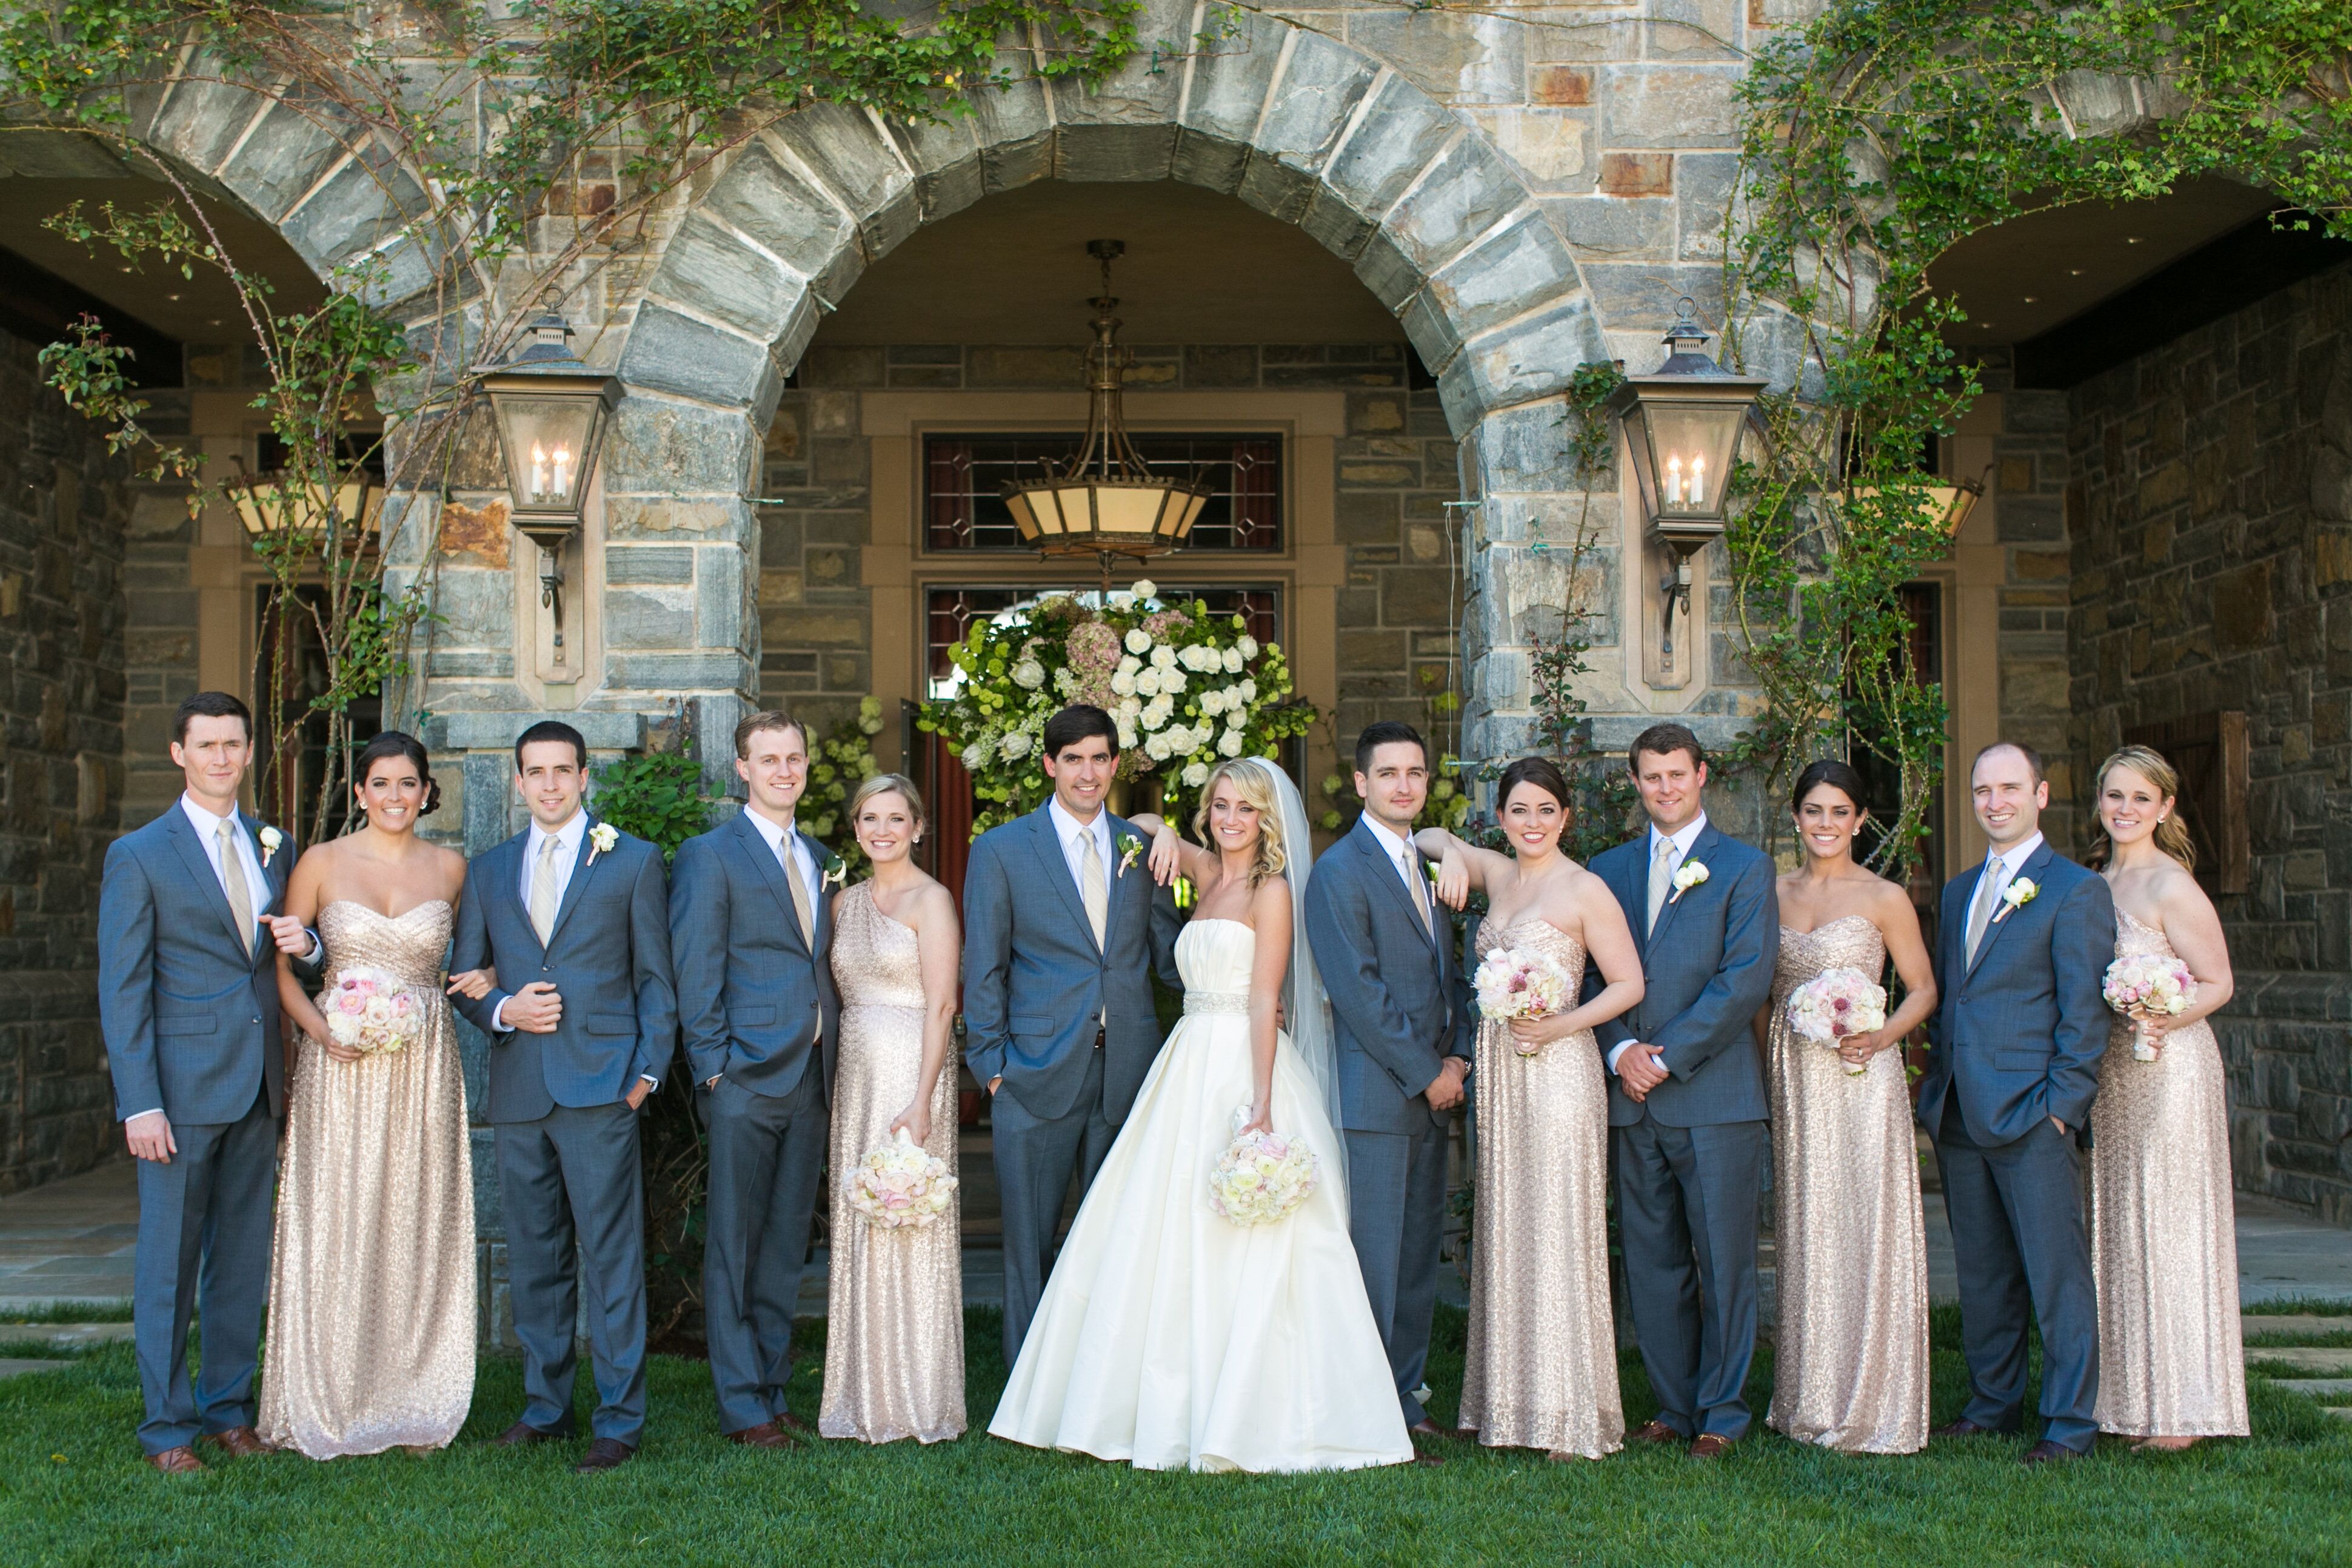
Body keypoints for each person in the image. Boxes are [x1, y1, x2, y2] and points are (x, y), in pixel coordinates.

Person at [991, 757, 1413, 1472]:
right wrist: (1155, 829)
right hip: (1185, 1058)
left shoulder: (1270, 891)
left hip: (1241, 1062)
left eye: (1245, 809)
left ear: (1266, 819)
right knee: (1157, 1227)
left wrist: (1263, 1100)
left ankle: (1252, 1406)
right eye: (1220, 805)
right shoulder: (1205, 874)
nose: (1230, 819)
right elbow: (1147, 825)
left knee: (1248, 1239)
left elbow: (1262, 997)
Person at [449, 719, 677, 1475]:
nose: (548, 784)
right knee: (537, 1257)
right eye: (534, 772)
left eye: (562, 771)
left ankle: (618, 1419)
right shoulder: (488, 870)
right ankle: (546, 1409)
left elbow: (655, 981)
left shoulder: (633, 862)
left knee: (611, 1258)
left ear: (584, 777)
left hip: (601, 1089)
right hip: (519, 1089)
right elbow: (465, 976)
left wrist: (644, 1076)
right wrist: (503, 1009)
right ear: (517, 782)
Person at [258, 732, 481, 1458]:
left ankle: (413, 1393)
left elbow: (473, 962)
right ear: (359, 791)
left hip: (422, 1067)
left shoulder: (452, 868)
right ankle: (333, 1388)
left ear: (426, 791)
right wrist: (323, 1034)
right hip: (340, 1063)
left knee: (413, 1217)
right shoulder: (319, 862)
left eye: (408, 784)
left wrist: (486, 982)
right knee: (341, 1216)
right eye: (380, 784)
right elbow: (287, 971)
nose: (394, 797)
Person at [1420, 756, 1643, 1461]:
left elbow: (1628, 984)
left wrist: (1560, 1024)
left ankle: (1570, 1413)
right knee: (1510, 1225)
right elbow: (1423, 834)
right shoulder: (1500, 872)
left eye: (1546, 810)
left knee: (1557, 1228)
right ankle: (1508, 1404)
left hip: (1557, 1073)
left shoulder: (1583, 888)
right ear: (1502, 817)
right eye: (1520, 810)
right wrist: (1455, 851)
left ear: (1565, 817)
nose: (1533, 822)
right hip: (1502, 1079)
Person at [98, 692, 298, 1472]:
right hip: (177, 1094)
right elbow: (124, 987)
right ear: (179, 753)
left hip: (257, 1086)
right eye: (206, 744)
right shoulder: (140, 854)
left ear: (250, 753)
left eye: (233, 744)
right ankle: (166, 1429)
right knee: (169, 1263)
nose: (221, 757)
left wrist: (305, 940)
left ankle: (226, 1410)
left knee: (241, 1258)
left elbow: (279, 959)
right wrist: (139, 1101)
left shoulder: (271, 844)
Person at [961, 704, 1182, 1368]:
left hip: (1128, 1071)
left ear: (1116, 765)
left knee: (1116, 1236)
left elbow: (1170, 957)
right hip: (1031, 1072)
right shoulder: (1001, 849)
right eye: (1073, 759)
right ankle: (1029, 1384)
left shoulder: (1143, 850)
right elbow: (985, 965)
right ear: (1051, 765)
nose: (1088, 773)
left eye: (1099, 758)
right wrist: (992, 1067)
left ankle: (1097, 1380)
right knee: (1027, 1241)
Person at [1584, 722, 1779, 1459]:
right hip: (1631, 1100)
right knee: (1652, 1259)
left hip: (1714, 1096)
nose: (1665, 787)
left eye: (1677, 773)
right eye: (1651, 776)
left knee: (1723, 1259)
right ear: (1636, 782)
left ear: (1702, 775)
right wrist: (1621, 1050)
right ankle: (1672, 1403)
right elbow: (1590, 972)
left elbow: (1744, 979)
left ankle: (1722, 1412)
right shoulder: (1608, 867)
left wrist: (1667, 1057)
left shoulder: (1744, 867)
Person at [1918, 740, 2113, 1465]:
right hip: (1961, 1112)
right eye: (1980, 790)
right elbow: (1953, 998)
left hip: (2033, 1112)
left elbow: (2084, 1011)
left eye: (2008, 788)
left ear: (2040, 794)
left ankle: (2068, 1422)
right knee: (1983, 1271)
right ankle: (1992, 1404)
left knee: (2055, 1273)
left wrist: (2062, 1105)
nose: (1993, 802)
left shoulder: (2073, 890)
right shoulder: (1961, 889)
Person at [1752, 758, 1936, 1455]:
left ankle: (1876, 1402)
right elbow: (1761, 997)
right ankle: (1808, 1397)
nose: (1825, 824)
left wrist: (1881, 1034)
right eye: (1813, 811)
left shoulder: (1884, 896)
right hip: (1795, 1076)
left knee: (1865, 1223)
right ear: (1796, 817)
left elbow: (1921, 989)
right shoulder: (1769, 893)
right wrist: (1768, 1068)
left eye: (1839, 812)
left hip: (1862, 1076)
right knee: (1807, 1228)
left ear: (1860, 820)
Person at [670, 710, 840, 1450]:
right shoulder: (711, 855)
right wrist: (714, 1072)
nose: (783, 770)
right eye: (767, 759)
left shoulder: (824, 854)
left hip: (812, 1077)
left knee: (783, 1245)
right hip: (742, 1078)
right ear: (742, 768)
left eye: (793, 757)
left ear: (806, 765)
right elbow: (695, 967)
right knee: (734, 1246)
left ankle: (771, 1386)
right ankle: (742, 1405)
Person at [1302, 720, 1470, 1459]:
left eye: (1416, 773)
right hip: (1378, 1095)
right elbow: (1358, 990)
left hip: (1436, 1088)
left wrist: (1458, 1058)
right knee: (1372, 1260)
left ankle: (1405, 1398)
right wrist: (1426, 1071)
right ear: (1361, 783)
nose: (1404, 784)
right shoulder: (1339, 871)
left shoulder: (1426, 863)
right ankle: (1363, 1410)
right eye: (1389, 773)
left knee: (1413, 1258)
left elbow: (1448, 977)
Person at [2085, 745, 2247, 1450]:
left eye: (2140, 799)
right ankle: (2127, 1399)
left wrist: (2159, 1017)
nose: (2125, 810)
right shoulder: (2095, 880)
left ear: (2165, 807)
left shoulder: (2169, 884)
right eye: (2114, 796)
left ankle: (2182, 1407)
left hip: (2171, 1066)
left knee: (2170, 1223)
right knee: (2121, 1221)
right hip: (2115, 1072)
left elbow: (2217, 982)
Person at [818, 773, 966, 1444]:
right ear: (855, 829)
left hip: (912, 1070)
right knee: (862, 1220)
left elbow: (941, 1004)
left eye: (895, 818)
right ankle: (861, 1393)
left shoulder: (931, 900)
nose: (882, 830)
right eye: (869, 819)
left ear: (917, 827)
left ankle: (917, 1397)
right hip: (855, 1072)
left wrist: (925, 1096)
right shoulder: (841, 902)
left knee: (912, 1220)